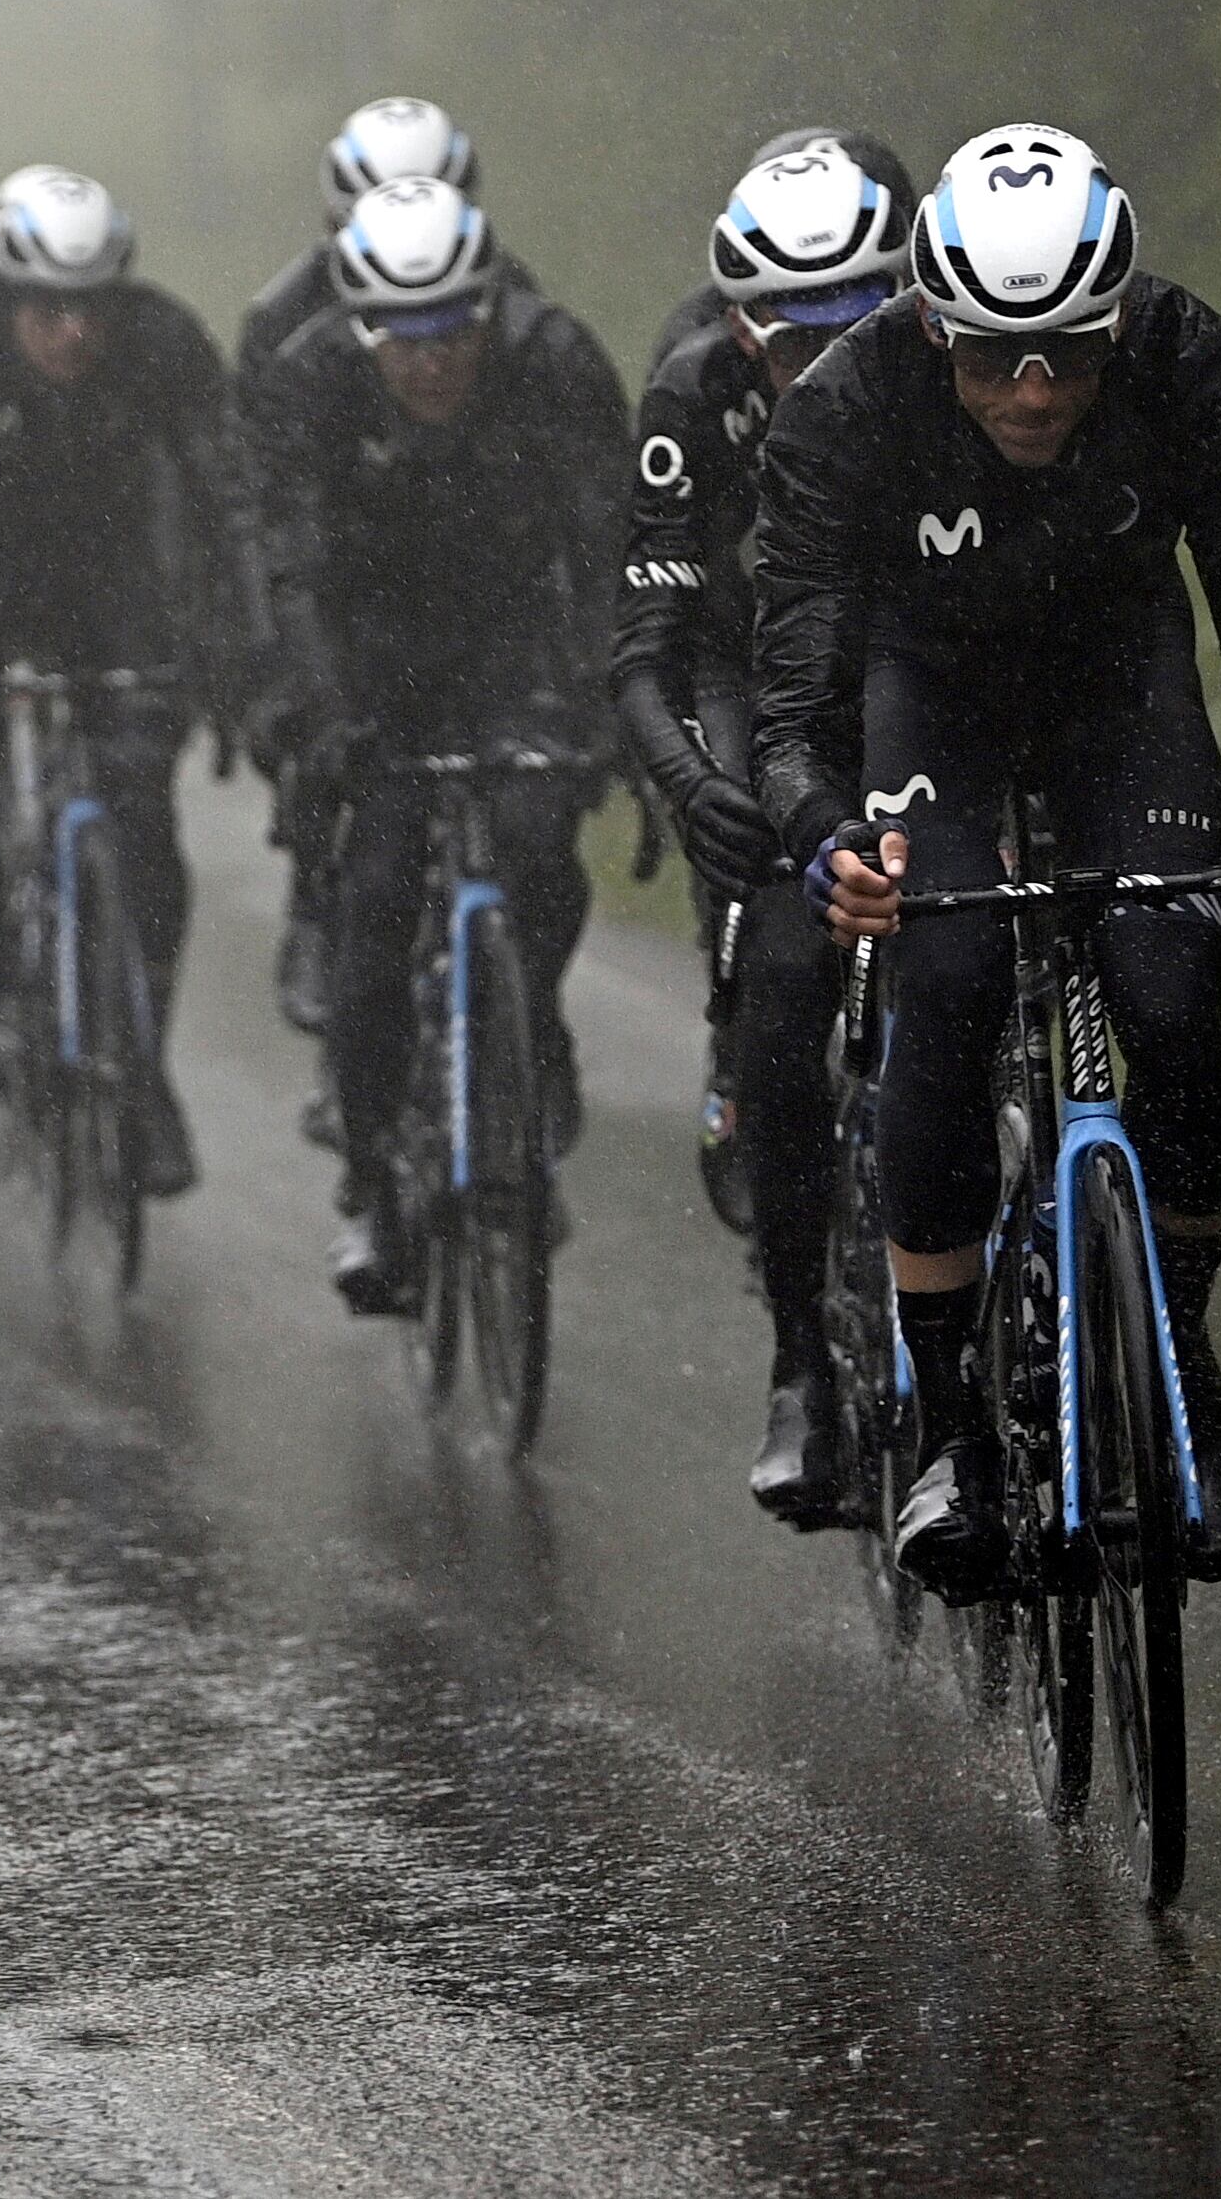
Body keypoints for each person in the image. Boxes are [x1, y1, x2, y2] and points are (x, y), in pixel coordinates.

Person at [758, 123, 1221, 1594]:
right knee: (950, 976)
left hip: (1120, 688)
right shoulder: (846, 408)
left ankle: (1183, 1361)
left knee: (1168, 1004)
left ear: (1115, 326)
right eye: (989, 359)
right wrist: (823, 834)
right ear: (929, 324)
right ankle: (954, 1427)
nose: (1030, 393)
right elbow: (793, 695)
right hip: (929, 700)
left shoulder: (1187, 361)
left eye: (1066, 358)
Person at [248, 174, 626, 1312]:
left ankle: (533, 1032)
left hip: (508, 638)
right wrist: (319, 718)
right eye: (398, 339)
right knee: (373, 917)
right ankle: (372, 1185)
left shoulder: (553, 359)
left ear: (489, 309)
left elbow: (612, 548)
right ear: (359, 327)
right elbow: (289, 570)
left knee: (537, 843)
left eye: (450, 331)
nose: (427, 363)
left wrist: (606, 701)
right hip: (371, 656)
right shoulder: (309, 379)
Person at [608, 129, 916, 1522]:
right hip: (747, 674)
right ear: (740, 330)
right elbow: (646, 649)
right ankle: (801, 1362)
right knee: (786, 997)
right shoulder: (687, 395)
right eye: (790, 344)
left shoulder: (961, 373)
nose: (822, 373)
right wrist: (688, 789)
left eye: (850, 330)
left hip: (913, 661)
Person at [0, 167, 243, 1195]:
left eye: (90, 309)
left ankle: (145, 1068)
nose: (72, 335)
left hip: (113, 569)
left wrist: (222, 652)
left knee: (141, 813)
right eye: (47, 311)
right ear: (7, 298)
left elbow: (227, 509)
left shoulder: (165, 344)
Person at [236, 98, 546, 1142]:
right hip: (358, 605)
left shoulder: (527, 329)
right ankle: (317, 911)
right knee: (345, 805)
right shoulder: (287, 335)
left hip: (482, 601)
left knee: (537, 833)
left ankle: (529, 1023)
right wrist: (294, 700)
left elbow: (580, 527)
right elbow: (275, 535)